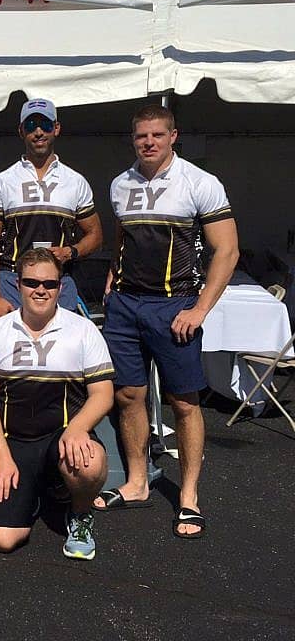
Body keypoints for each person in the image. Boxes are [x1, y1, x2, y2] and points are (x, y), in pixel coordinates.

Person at [93, 105, 238, 539]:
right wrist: (112, 278)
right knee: (128, 395)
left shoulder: (199, 183)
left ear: (173, 136)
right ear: (133, 139)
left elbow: (227, 251)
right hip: (125, 305)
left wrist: (199, 310)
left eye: (158, 135)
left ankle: (189, 497)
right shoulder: (121, 183)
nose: (149, 143)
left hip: (175, 306)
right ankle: (138, 482)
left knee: (185, 402)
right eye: (141, 136)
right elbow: (124, 235)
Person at [0, 248, 114, 559]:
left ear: (60, 287)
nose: (41, 290)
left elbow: (103, 393)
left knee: (90, 464)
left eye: (49, 284)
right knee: (2, 539)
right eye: (32, 282)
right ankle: (37, 491)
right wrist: (1, 457)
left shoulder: (83, 330)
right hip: (14, 443)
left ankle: (79, 513)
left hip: (62, 438)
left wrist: (77, 429)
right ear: (19, 284)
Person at [0, 97, 103, 317]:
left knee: (59, 349)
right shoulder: (3, 181)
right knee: (12, 350)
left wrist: (70, 251)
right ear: (21, 131)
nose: (38, 132)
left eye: (45, 125)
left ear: (56, 128)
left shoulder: (75, 181)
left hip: (58, 281)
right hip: (12, 281)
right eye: (30, 126)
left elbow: (95, 235)